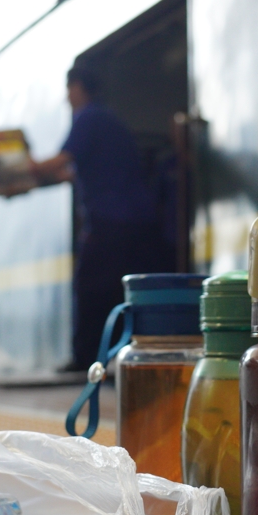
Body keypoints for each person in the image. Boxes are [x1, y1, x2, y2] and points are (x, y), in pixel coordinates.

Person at [30, 67, 166, 370]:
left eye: (68, 90)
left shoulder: (88, 117)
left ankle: (86, 358)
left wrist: (20, 169)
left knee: (90, 287)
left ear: (78, 87)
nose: (67, 98)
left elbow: (61, 160)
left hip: (111, 217)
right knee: (121, 289)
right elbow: (72, 173)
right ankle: (122, 354)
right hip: (136, 218)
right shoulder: (108, 120)